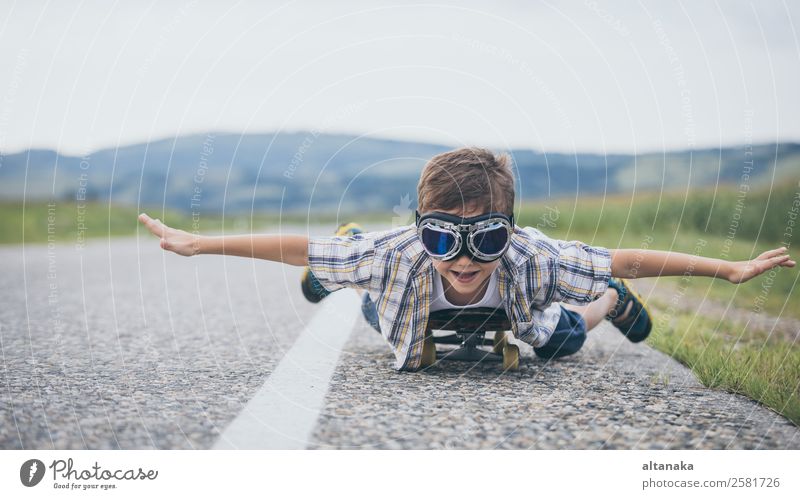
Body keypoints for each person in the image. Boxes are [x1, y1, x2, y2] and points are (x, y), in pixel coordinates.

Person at [138, 147, 795, 371]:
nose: (463, 259)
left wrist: (728, 269)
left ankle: (608, 302)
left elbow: (628, 255)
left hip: (522, 311)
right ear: (422, 228)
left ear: (507, 228)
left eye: (485, 238)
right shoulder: (400, 255)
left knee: (560, 343)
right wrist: (199, 243)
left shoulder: (531, 256)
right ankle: (341, 265)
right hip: (401, 300)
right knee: (359, 279)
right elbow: (292, 247)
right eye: (443, 238)